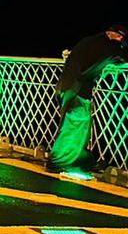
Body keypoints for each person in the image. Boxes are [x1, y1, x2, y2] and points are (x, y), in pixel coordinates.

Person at [47, 24, 127, 173]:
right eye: (119, 37)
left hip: (65, 86)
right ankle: (58, 163)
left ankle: (79, 160)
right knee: (74, 126)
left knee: (74, 126)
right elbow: (121, 56)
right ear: (111, 34)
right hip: (78, 90)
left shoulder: (89, 41)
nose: (120, 40)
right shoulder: (108, 47)